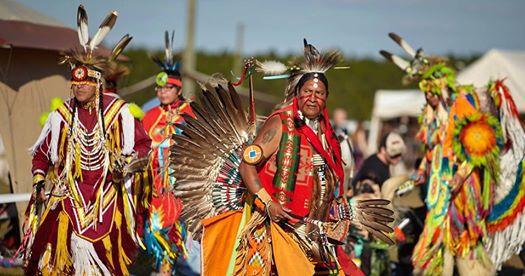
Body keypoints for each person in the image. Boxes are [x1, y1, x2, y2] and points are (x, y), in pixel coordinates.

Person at [23, 5, 151, 275]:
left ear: (97, 84)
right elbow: (42, 153)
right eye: (75, 84)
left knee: (109, 258)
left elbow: (143, 146)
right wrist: (38, 179)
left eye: (84, 83)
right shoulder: (62, 116)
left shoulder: (119, 113)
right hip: (70, 193)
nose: (79, 87)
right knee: (54, 252)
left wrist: (126, 164)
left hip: (107, 195)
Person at [141, 31, 195, 275]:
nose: (161, 92)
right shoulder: (150, 116)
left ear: (178, 89)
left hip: (183, 190)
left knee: (181, 237)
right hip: (155, 190)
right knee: (156, 235)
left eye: (166, 88)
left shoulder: (191, 113)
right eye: (158, 88)